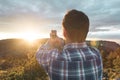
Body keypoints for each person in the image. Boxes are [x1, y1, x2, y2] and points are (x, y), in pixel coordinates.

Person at [36, 9, 103, 80]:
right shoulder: (96, 54)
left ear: (64, 32)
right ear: (86, 32)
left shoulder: (54, 58)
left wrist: (50, 42)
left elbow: (39, 54)